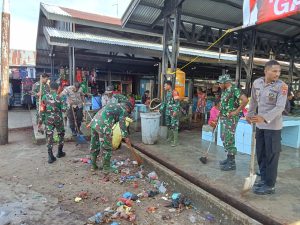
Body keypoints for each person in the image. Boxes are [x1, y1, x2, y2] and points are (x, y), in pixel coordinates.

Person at [246, 60, 287, 195]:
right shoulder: (257, 83)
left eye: (279, 71)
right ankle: (264, 179)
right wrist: (249, 114)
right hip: (260, 126)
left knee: (271, 155)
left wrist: (264, 117)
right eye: (274, 71)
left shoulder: (282, 86)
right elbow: (253, 100)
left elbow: (280, 107)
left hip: (273, 127)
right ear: (266, 71)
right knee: (261, 154)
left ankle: (270, 185)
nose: (277, 74)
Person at [89, 101, 133, 173]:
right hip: (103, 126)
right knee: (107, 148)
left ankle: (93, 166)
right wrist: (126, 138)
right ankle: (106, 168)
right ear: (128, 108)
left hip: (94, 123)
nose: (127, 114)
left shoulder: (114, 104)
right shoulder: (123, 109)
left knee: (94, 145)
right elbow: (122, 125)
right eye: (128, 112)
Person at [218, 74, 248, 171]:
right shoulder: (225, 91)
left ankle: (232, 163)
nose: (219, 85)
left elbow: (245, 100)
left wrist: (236, 111)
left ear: (226, 83)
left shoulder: (234, 90)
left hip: (231, 119)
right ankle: (228, 158)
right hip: (224, 117)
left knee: (229, 138)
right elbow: (223, 105)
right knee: (223, 137)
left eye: (220, 83)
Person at [39, 82, 66, 164]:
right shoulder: (60, 97)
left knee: (49, 136)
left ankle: (50, 156)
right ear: (58, 88)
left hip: (48, 120)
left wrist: (40, 122)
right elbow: (64, 109)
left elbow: (42, 111)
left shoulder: (44, 97)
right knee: (61, 134)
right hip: (58, 120)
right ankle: (59, 152)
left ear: (50, 88)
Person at [159, 81, 180, 147]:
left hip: (173, 112)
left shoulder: (174, 92)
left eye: (165, 85)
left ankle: (175, 141)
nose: (164, 87)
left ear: (169, 85)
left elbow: (177, 103)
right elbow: (164, 103)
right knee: (169, 125)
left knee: (174, 125)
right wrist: (160, 110)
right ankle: (170, 138)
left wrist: (175, 111)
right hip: (168, 112)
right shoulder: (167, 93)